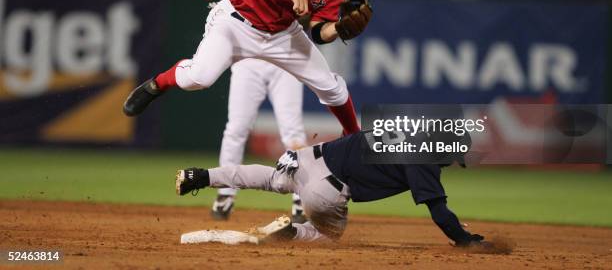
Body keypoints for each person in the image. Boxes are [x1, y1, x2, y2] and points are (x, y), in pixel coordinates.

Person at [124, 0, 367, 163]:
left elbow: (319, 31)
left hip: (283, 33)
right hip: (237, 21)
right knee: (198, 77)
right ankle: (156, 84)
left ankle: (353, 137)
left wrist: (338, 29)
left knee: (333, 88)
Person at [174, 131, 490, 246]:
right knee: (328, 235)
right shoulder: (424, 161)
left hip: (304, 158)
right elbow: (438, 212)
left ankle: (200, 176)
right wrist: (463, 239)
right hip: (325, 191)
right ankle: (289, 233)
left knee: (270, 178)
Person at [190, 0, 307, 222]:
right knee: (236, 128)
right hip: (247, 60)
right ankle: (225, 194)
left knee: (292, 130)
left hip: (283, 58)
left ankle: (300, 199)